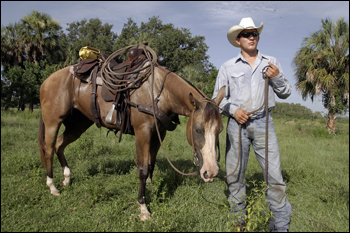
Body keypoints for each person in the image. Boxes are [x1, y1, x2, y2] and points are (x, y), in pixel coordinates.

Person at [212, 17, 292, 232]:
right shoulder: (227, 67)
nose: (251, 37)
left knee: (274, 176)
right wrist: (233, 111)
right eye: (246, 34)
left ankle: (280, 225)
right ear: (238, 40)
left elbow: (285, 92)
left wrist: (276, 78)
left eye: (254, 33)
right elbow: (218, 100)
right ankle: (239, 222)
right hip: (236, 126)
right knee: (235, 176)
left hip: (264, 123)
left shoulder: (271, 61)